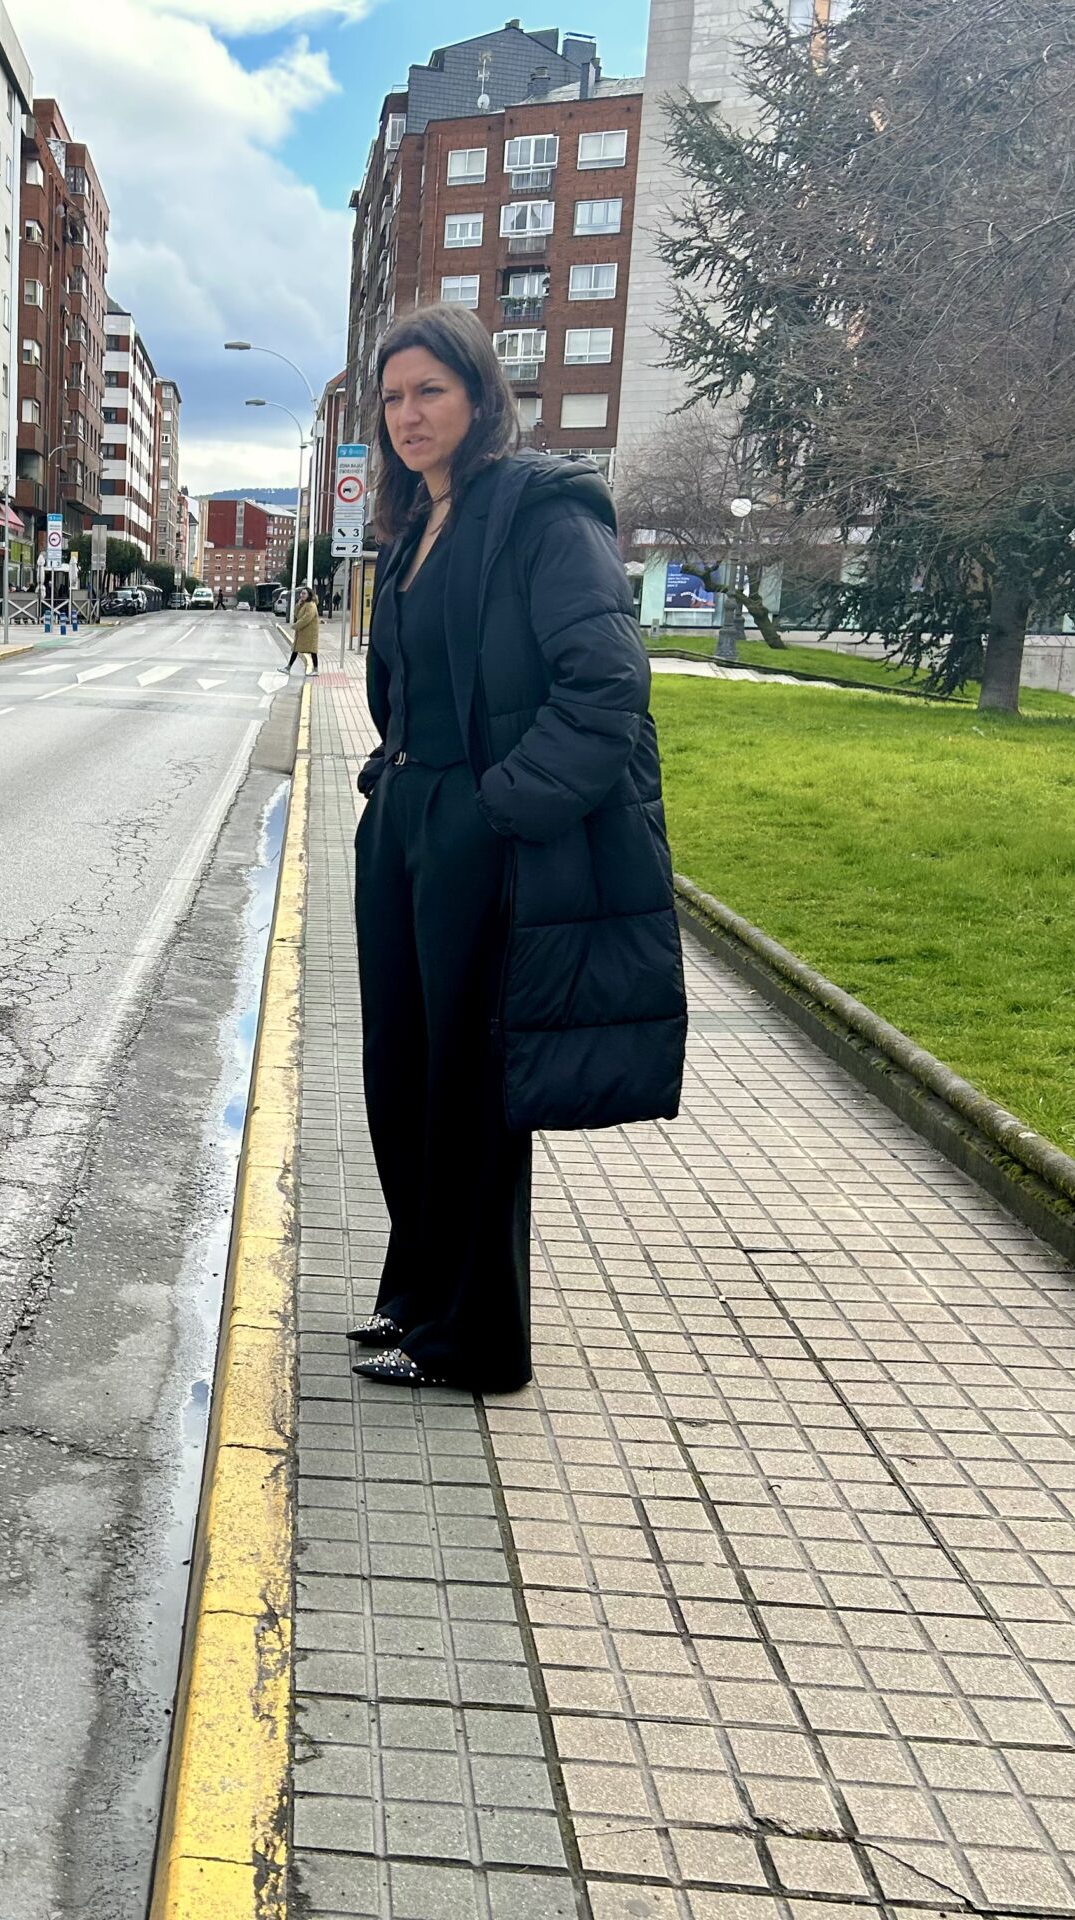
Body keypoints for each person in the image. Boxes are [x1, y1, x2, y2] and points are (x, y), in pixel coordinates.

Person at [349, 304, 686, 1395]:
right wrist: (386, 784)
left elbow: (607, 686)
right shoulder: (418, 528)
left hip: (477, 835)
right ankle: (417, 1301)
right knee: (400, 1079)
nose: (408, 415)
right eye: (393, 397)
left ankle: (475, 1340)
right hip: (403, 825)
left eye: (428, 392)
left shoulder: (542, 514)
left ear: (480, 397)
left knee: (470, 1089)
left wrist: (501, 810)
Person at [288, 587, 320, 674]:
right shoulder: (304, 604)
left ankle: (316, 670)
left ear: (309, 595)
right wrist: (298, 605)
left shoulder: (311, 605)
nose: (302, 595)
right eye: (301, 593)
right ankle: (288, 667)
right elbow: (297, 614)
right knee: (295, 650)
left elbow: (306, 618)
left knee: (313, 650)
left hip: (309, 632)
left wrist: (295, 626)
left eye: (304, 593)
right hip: (303, 632)